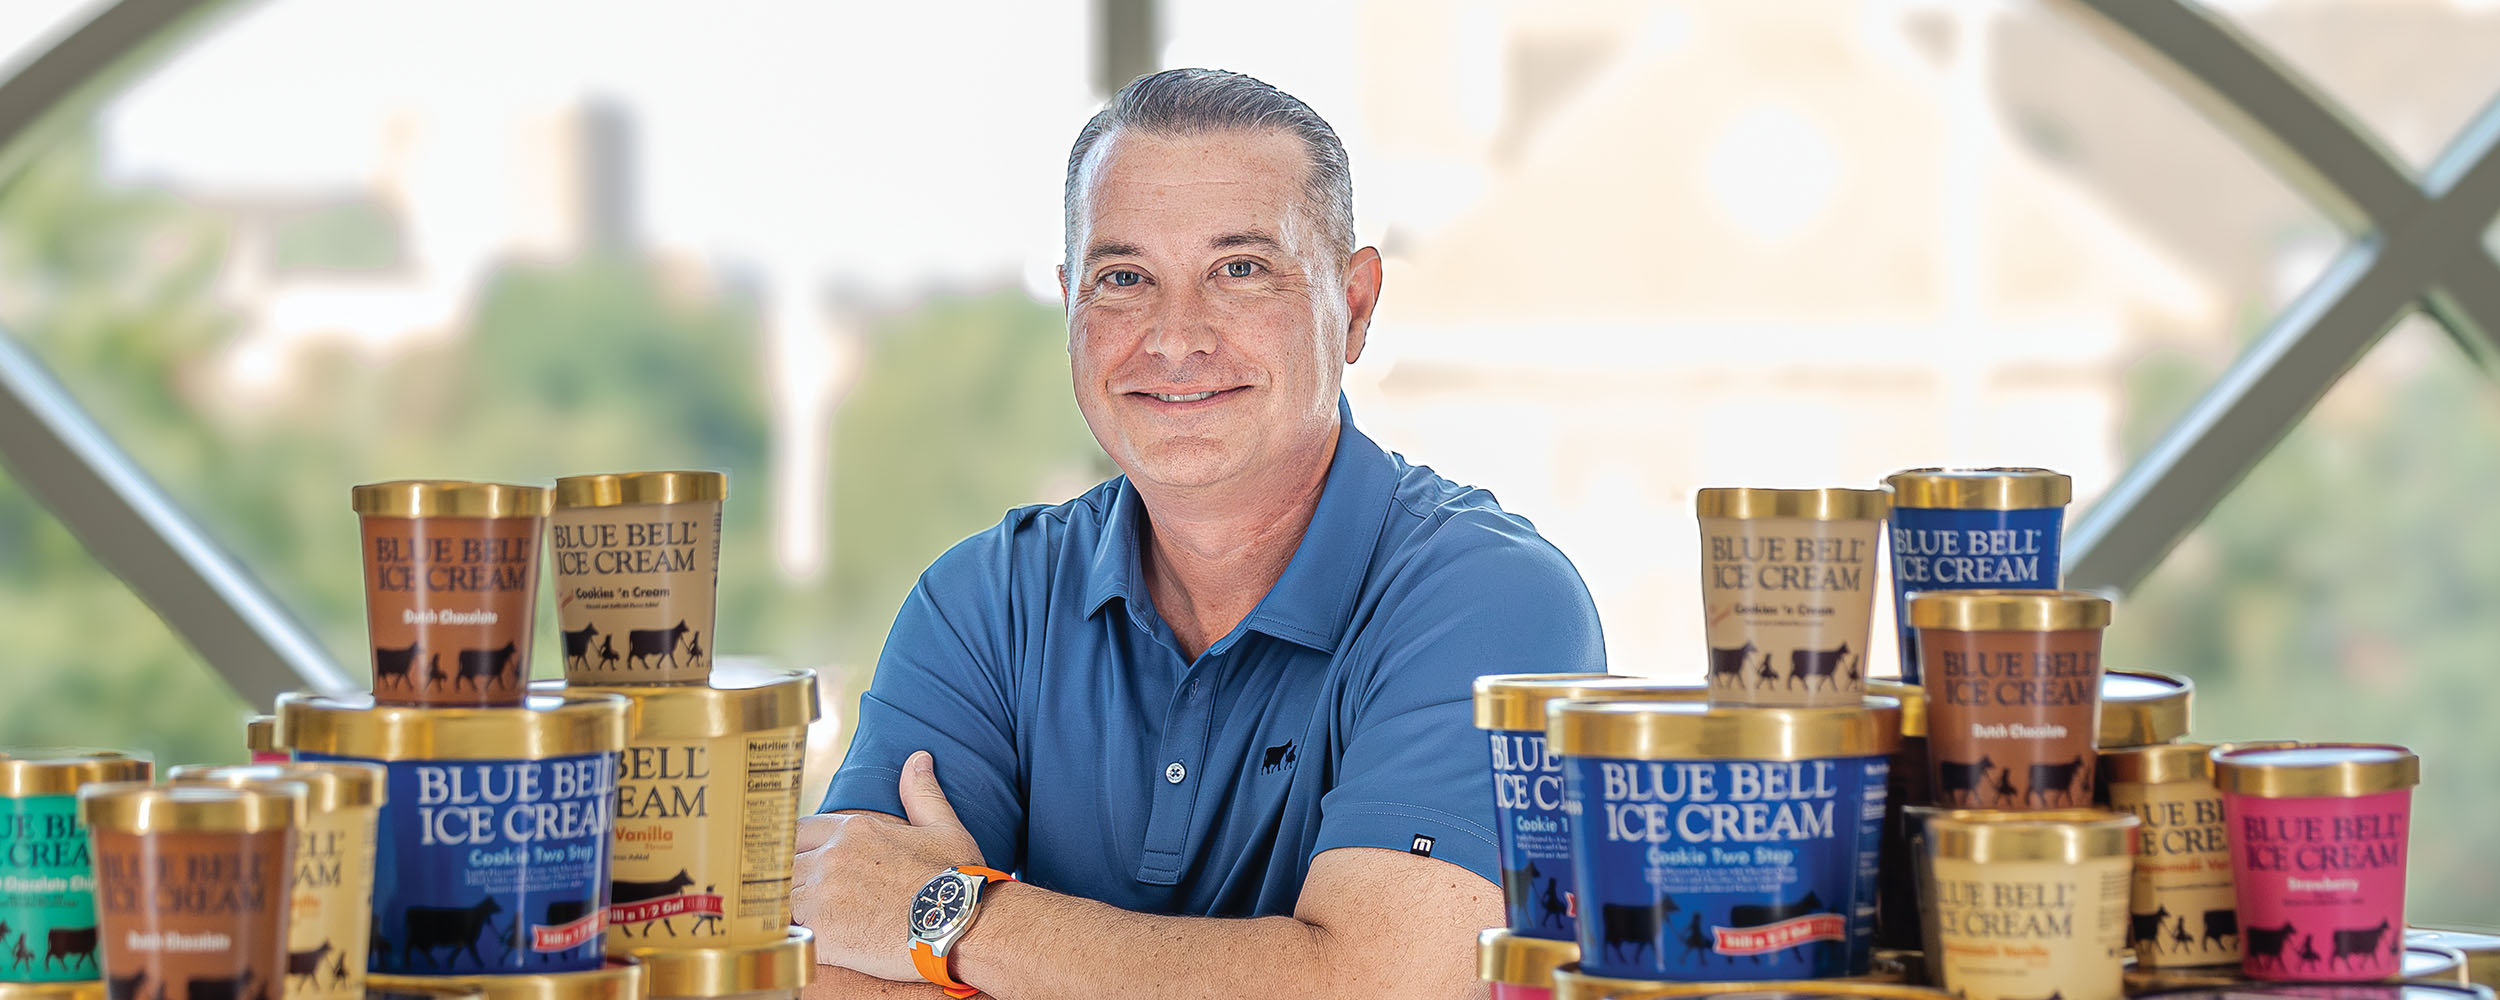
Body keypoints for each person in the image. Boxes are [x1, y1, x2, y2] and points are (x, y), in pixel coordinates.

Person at [792, 68, 1605, 999]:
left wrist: (952, 916)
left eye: (1241, 270)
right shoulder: (980, 606)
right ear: (1070, 305)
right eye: (1125, 278)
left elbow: (1384, 984)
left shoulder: (1492, 603)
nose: (1175, 339)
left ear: (1356, 305)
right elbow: (833, 957)